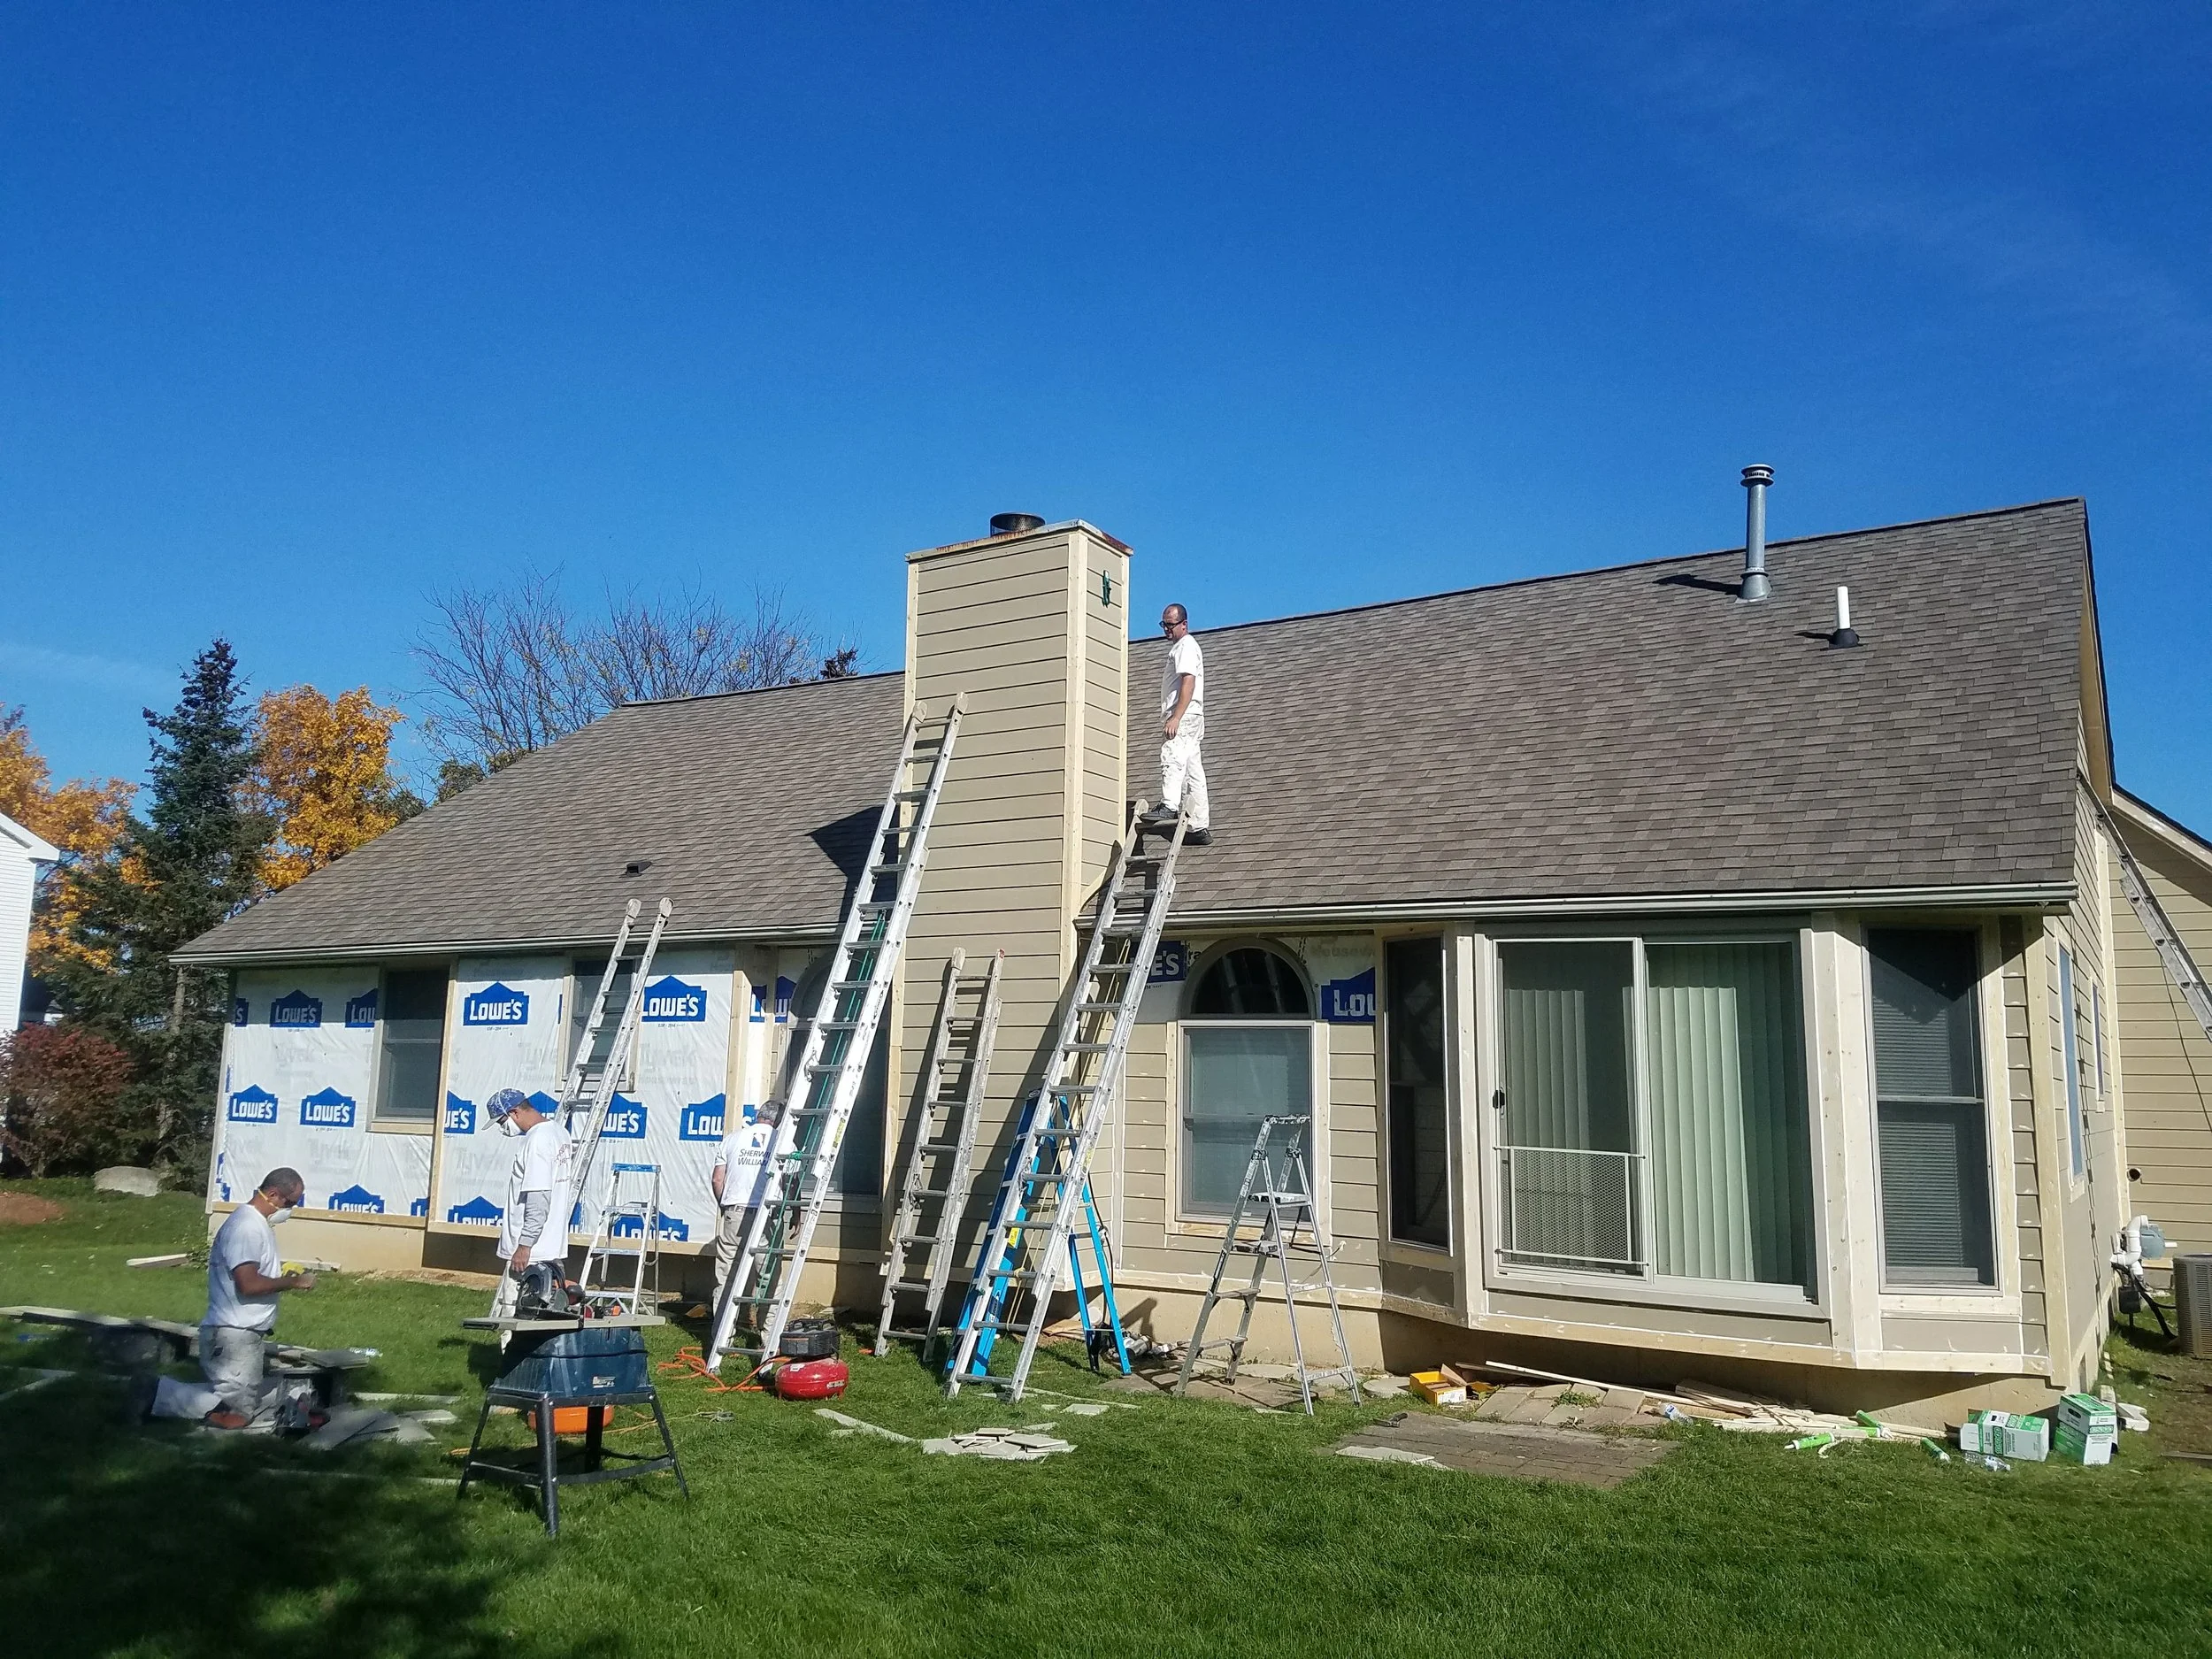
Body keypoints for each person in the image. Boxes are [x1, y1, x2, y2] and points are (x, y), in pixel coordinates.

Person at [198, 1168, 316, 1430]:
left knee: (240, 1406)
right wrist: (293, 1282)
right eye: (290, 1202)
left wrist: (281, 1275)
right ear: (273, 1194)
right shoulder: (247, 1228)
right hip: (234, 1334)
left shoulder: (257, 1223)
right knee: (238, 1417)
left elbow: (253, 1274)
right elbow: (248, 1285)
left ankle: (163, 1396)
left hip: (241, 1332)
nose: (291, 1209)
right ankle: (157, 1395)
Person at [487, 1087, 576, 1315]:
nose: (502, 1128)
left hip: (530, 1253)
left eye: (501, 1122)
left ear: (515, 1112)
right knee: (545, 1314)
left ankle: (510, 1340)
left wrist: (524, 1246)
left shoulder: (537, 1140)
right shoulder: (559, 1132)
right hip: (550, 1247)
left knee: (514, 1315)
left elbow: (539, 1197)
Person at [1140, 603, 1211, 845]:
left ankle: (1169, 805)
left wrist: (1176, 717)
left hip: (1183, 714)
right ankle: (1198, 825)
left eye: (1170, 625)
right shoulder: (1186, 646)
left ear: (1184, 624)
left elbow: (1188, 681)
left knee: (1172, 755)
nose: (1166, 629)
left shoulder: (1185, 646)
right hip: (1193, 716)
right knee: (1192, 769)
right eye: (1164, 624)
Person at [710, 1098, 784, 1306]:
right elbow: (790, 1181)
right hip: (766, 1215)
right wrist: (797, 1214)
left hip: (735, 1212)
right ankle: (768, 1326)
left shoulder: (732, 1139)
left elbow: (717, 1180)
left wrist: (725, 1207)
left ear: (758, 1116)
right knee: (768, 1277)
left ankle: (722, 1326)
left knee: (727, 1277)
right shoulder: (783, 1141)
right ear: (778, 1120)